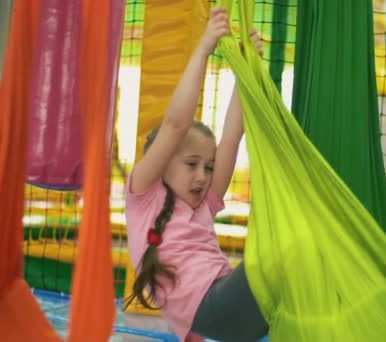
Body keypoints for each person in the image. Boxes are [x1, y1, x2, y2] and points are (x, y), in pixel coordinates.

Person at [124, 7, 267, 342]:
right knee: (288, 244)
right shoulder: (145, 196)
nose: (202, 176)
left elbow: (231, 139)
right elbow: (175, 125)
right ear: (162, 163)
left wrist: (248, 71)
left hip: (233, 315)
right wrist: (203, 49)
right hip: (214, 307)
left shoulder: (203, 204)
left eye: (208, 166)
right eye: (191, 164)